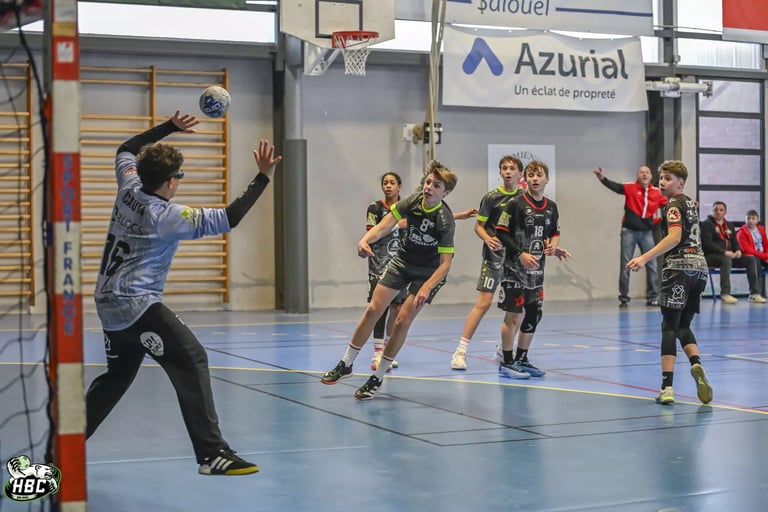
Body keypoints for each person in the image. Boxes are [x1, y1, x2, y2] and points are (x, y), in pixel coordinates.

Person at [86, 111, 281, 475]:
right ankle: (212, 454)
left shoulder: (128, 186)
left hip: (107, 303)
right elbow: (230, 217)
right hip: (136, 304)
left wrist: (169, 128)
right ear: (171, 182)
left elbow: (126, 148)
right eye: (179, 176)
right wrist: (263, 176)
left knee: (114, 380)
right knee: (192, 358)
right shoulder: (167, 216)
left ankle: (61, 445)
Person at [320, 161, 458, 400]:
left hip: (428, 272)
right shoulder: (413, 201)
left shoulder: (445, 220)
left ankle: (378, 376)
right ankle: (346, 363)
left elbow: (445, 264)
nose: (429, 187)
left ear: (445, 192)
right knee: (374, 308)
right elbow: (385, 226)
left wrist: (427, 287)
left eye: (436, 185)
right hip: (403, 261)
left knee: (402, 321)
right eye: (428, 182)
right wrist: (365, 240)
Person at [627, 160, 713, 405]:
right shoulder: (691, 203)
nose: (661, 182)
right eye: (661, 178)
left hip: (678, 269)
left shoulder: (673, 204)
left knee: (668, 327)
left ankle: (667, 387)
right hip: (700, 269)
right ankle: (696, 363)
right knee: (683, 325)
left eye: (667, 179)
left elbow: (675, 237)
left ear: (681, 183)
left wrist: (644, 257)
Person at [494, 160, 571, 379]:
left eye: (539, 175)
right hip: (514, 271)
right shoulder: (515, 204)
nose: (535, 179)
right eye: (531, 175)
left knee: (534, 314)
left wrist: (553, 247)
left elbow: (554, 232)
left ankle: (522, 358)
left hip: (536, 273)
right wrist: (520, 253)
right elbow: (501, 232)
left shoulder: (551, 207)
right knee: (514, 315)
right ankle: (507, 362)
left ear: (547, 179)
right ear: (524, 179)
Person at [450, 155, 522, 371]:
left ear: (520, 173)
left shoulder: (524, 198)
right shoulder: (491, 198)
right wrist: (488, 239)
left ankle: (504, 349)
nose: (508, 172)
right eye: (504, 168)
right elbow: (479, 226)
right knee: (484, 303)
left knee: (519, 308)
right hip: (494, 259)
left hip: (515, 260)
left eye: (512, 168)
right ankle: (460, 351)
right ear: (500, 173)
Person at [593, 166, 667, 307]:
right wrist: (602, 178)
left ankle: (653, 297)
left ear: (651, 176)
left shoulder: (657, 193)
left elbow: (669, 203)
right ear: (637, 175)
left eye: (647, 172)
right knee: (626, 265)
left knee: (652, 265)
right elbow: (615, 187)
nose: (644, 174)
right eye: (641, 172)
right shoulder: (630, 187)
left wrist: (689, 205)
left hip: (647, 233)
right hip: (629, 232)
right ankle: (624, 298)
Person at [366, 172, 407, 372]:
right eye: (385, 183)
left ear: (400, 186)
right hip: (379, 266)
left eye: (392, 183)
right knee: (379, 308)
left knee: (397, 308)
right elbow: (373, 232)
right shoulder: (375, 208)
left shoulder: (407, 207)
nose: (388, 186)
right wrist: (396, 224)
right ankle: (377, 352)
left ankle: (388, 350)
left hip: (401, 265)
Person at [700, 201, 765, 304]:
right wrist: (724, 252)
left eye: (721, 210)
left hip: (730, 256)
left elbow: (735, 242)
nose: (718, 212)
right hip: (712, 257)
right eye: (716, 210)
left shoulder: (729, 225)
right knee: (726, 259)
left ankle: (755, 294)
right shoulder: (706, 224)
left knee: (751, 259)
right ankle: (725, 294)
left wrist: (738, 250)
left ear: (725, 212)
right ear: (713, 211)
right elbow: (708, 243)